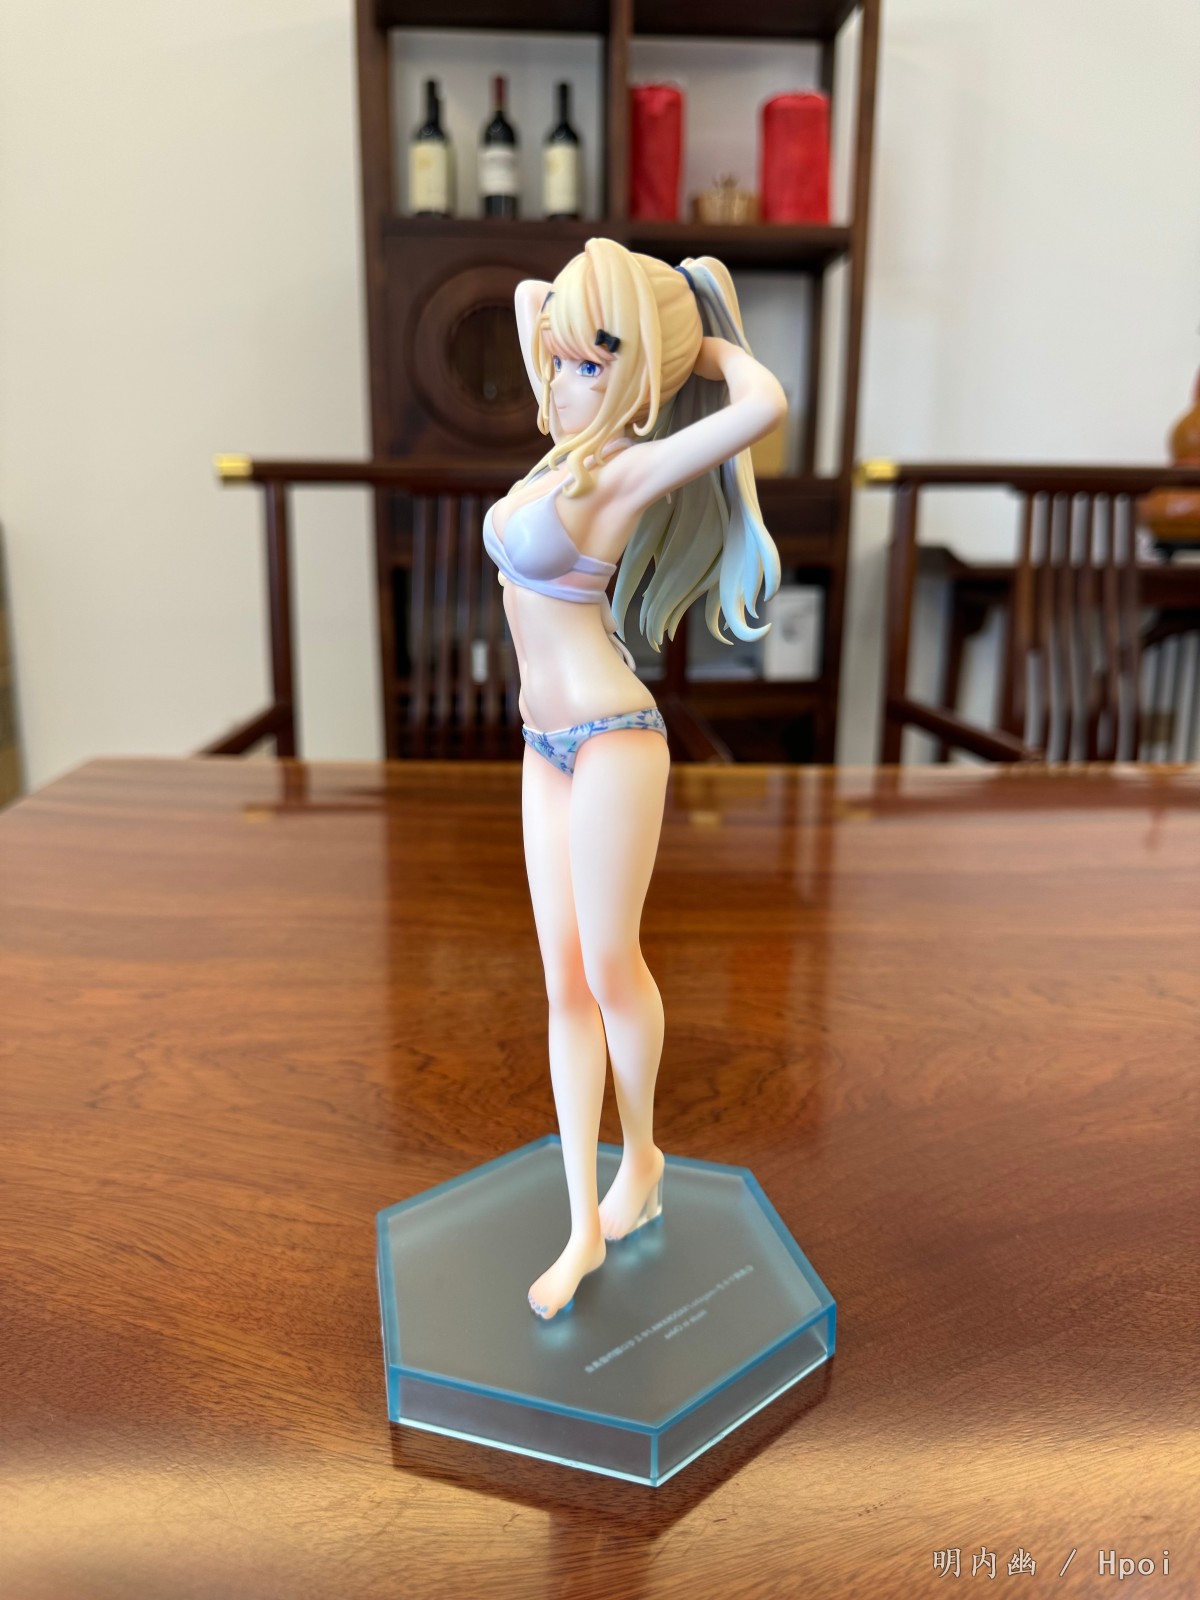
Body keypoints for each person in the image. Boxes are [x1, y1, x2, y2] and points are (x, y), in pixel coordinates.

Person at [481, 238, 786, 1319]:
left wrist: (699, 342)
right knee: (561, 980)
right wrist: (588, 317)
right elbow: (532, 299)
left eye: (591, 365)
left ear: (639, 381)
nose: (563, 380)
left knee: (611, 967)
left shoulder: (622, 470)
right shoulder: (560, 458)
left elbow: (763, 403)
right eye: (562, 361)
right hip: (543, 745)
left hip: (613, 737)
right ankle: (581, 1225)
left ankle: (643, 1158)